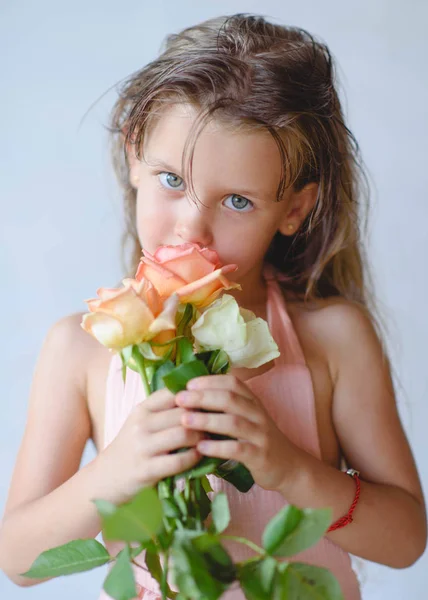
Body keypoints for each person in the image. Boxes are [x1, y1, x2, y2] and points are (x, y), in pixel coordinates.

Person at [0, 13, 426, 600]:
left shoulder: (334, 339)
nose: (191, 227)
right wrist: (114, 472)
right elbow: (19, 560)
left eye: (236, 200)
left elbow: (406, 541)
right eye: (171, 180)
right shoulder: (81, 347)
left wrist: (290, 469)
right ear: (133, 155)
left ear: (295, 209)